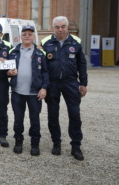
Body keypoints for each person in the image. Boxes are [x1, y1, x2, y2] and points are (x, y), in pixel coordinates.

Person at [41, 16, 88, 161]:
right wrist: (44, 85)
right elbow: (43, 67)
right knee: (53, 115)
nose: (60, 29)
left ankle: (76, 146)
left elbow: (82, 64)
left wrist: (83, 83)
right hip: (53, 84)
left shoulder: (76, 42)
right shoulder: (46, 43)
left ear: (67, 27)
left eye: (63, 26)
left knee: (74, 115)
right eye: (57, 27)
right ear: (53, 28)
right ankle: (56, 143)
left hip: (71, 82)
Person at [7, 25, 49, 156]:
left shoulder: (40, 53)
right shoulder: (13, 51)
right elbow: (6, 71)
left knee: (34, 119)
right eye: (24, 33)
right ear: (20, 36)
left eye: (29, 34)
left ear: (33, 36)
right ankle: (18, 142)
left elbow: (46, 73)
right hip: (17, 92)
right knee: (18, 119)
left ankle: (35, 144)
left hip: (34, 93)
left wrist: (43, 88)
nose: (27, 36)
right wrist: (8, 72)